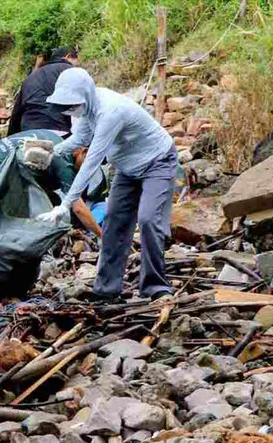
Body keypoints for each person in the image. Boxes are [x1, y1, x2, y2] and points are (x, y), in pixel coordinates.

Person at [36, 67, 177, 302]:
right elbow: (80, 139)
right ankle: (106, 290)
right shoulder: (86, 109)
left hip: (158, 162)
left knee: (148, 219)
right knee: (114, 222)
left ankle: (155, 287)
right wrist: (52, 151)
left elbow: (92, 160)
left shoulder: (110, 111)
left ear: (86, 96)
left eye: (73, 104)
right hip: (127, 168)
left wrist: (66, 204)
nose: (70, 109)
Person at [0, 129, 103, 238]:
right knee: (15, 224)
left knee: (52, 200)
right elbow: (78, 208)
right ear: (83, 151)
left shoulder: (53, 138)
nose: (87, 170)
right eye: (89, 164)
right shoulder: (63, 160)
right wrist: (101, 235)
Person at [8, 46, 80, 136]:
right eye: (77, 62)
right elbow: (81, 105)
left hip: (29, 131)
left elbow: (16, 113)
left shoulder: (31, 76)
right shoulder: (70, 71)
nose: (77, 66)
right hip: (58, 130)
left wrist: (11, 138)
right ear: (68, 56)